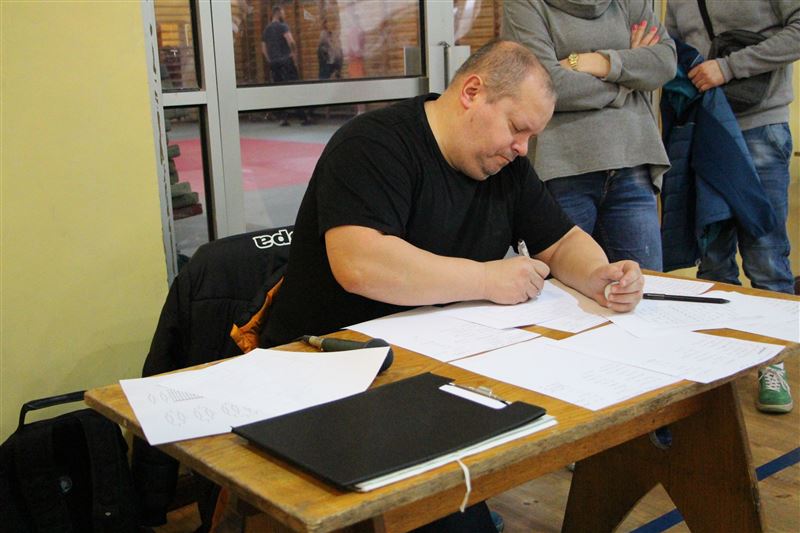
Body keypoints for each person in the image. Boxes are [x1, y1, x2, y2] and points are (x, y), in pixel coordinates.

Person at [260, 40, 644, 530]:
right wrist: (485, 278)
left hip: (428, 374)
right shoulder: (372, 144)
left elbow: (561, 240)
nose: (522, 148)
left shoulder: (504, 168)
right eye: (517, 128)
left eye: (531, 136)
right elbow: (358, 261)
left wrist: (598, 275)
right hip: (333, 374)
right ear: (472, 92)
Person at [666, 0, 799, 413]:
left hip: (761, 127)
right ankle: (718, 369)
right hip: (705, 129)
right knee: (713, 256)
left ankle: (772, 364)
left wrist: (729, 67)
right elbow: (671, 44)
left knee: (766, 256)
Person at [502, 0, 677, 272]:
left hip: (632, 161)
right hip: (563, 168)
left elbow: (665, 62)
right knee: (564, 288)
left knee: (643, 287)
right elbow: (545, 85)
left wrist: (597, 62)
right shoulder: (524, 4)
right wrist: (626, 83)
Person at [261, 5, 310, 125]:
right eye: (283, 13)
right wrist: (294, 55)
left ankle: (283, 118)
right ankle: (303, 117)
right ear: (278, 13)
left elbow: (263, 48)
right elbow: (291, 41)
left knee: (280, 91)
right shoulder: (283, 26)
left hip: (274, 63)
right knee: (295, 88)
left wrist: (270, 60)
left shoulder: (266, 29)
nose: (284, 15)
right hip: (286, 61)